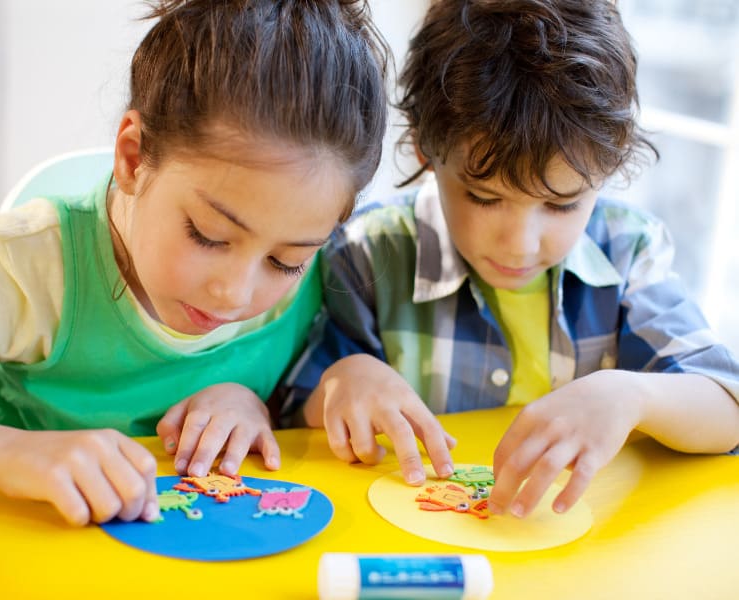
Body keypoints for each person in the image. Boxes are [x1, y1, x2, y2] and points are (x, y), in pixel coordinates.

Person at [0, 0, 388, 526]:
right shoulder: (32, 267)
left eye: (284, 262)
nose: (236, 294)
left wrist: (257, 409)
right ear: (132, 156)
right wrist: (7, 452)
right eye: (209, 235)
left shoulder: (328, 260)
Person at [285, 0, 739, 519]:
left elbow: (728, 404)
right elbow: (296, 416)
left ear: (606, 172)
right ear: (425, 152)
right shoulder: (369, 254)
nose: (520, 243)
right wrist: (345, 377)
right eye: (484, 197)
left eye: (562, 204)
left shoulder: (627, 250)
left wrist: (632, 395)